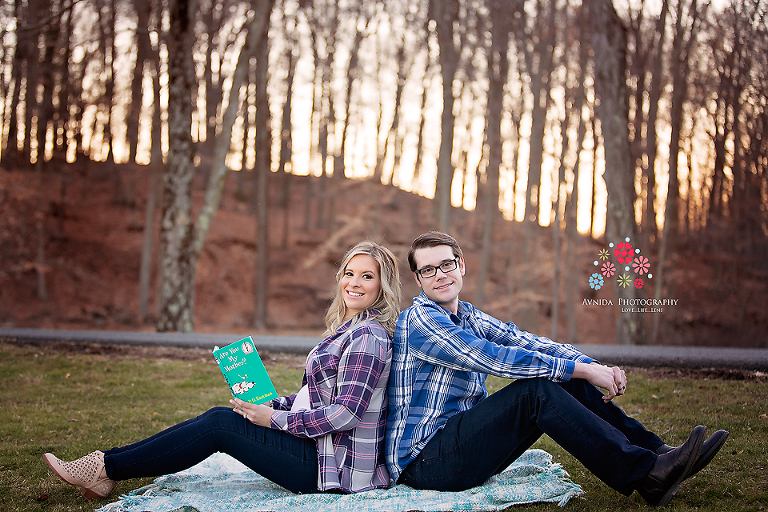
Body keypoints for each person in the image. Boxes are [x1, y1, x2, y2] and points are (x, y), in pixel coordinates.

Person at [385, 231, 727, 507]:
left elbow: (521, 340)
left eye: (446, 264)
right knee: (537, 389)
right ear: (418, 278)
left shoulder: (469, 315)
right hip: (425, 462)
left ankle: (659, 455)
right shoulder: (420, 319)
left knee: (564, 376)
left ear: (462, 265)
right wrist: (579, 370)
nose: (440, 275)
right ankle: (646, 476)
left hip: (458, 445)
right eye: (428, 270)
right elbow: (492, 357)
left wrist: (590, 365)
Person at [45, 241, 402, 499]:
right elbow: (318, 396)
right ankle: (105, 465)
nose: (354, 282)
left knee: (219, 425)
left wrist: (272, 420)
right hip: (318, 449)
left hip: (332, 467)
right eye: (349, 273)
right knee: (222, 416)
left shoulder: (368, 338)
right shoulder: (350, 329)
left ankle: (104, 468)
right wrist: (272, 405)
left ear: (381, 287)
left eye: (366, 276)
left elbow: (345, 414)